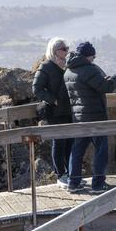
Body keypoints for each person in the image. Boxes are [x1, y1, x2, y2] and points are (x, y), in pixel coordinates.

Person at [64, 41, 116, 194]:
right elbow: (105, 87)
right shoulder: (89, 70)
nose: (94, 59)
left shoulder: (68, 72)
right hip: (95, 117)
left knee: (77, 150)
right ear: (88, 56)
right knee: (101, 150)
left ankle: (73, 182)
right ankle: (98, 184)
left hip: (78, 117)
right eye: (93, 57)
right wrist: (113, 79)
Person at [32, 37, 73, 189]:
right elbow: (36, 89)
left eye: (67, 48)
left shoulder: (66, 65)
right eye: (64, 49)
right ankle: (60, 175)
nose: (66, 51)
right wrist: (53, 100)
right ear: (55, 51)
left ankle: (70, 173)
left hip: (68, 110)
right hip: (55, 112)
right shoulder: (46, 67)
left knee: (70, 142)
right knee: (59, 142)